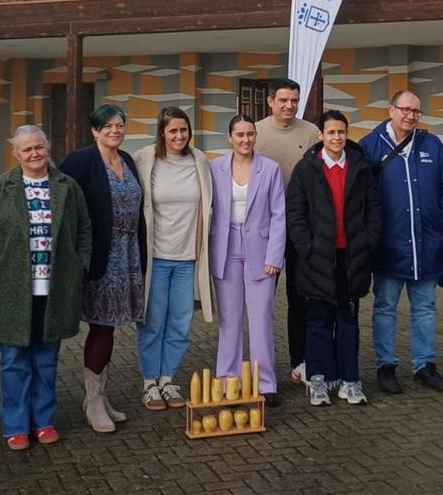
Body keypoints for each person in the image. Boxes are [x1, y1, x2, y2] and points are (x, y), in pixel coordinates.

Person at [0, 125, 91, 450]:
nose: (35, 154)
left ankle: (44, 421)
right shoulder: (2, 189)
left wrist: (80, 265)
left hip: (54, 288)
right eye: (27, 150)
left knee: (47, 359)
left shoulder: (67, 186)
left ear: (47, 148)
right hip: (12, 289)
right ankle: (15, 426)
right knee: (14, 359)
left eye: (39, 147)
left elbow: (84, 228)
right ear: (17, 154)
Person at [359, 90, 443, 394]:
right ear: (391, 110)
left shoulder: (431, 144)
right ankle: (385, 366)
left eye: (416, 111)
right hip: (388, 245)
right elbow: (361, 194)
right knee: (386, 306)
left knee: (425, 307)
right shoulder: (370, 146)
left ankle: (424, 365)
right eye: (404, 110)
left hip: (426, 245)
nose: (410, 116)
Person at [287, 110, 383, 406]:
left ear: (346, 133)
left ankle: (350, 380)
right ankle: (318, 380)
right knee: (317, 321)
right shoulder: (305, 170)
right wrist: (308, 247)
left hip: (351, 259)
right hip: (317, 260)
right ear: (321, 136)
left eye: (341, 132)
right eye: (331, 132)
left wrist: (367, 242)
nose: (337, 138)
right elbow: (296, 213)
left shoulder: (361, 168)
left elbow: (374, 209)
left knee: (348, 321)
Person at [60, 104, 145, 432]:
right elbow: (65, 204)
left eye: (119, 125)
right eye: (107, 126)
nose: (115, 130)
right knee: (100, 326)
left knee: (109, 328)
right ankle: (92, 400)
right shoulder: (81, 161)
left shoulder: (127, 161)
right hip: (100, 257)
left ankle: (101, 394)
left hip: (127, 254)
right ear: (94, 131)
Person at [133, 106, 213, 411]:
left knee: (181, 322)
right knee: (152, 322)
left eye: (183, 129)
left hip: (188, 257)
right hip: (156, 256)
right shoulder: (145, 160)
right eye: (172, 130)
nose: (179, 136)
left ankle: (168, 378)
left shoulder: (199, 160)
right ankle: (149, 382)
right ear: (162, 133)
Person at [209, 114, 286, 407]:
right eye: (239, 135)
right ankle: (228, 379)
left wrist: (274, 256)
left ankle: (264, 382)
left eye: (250, 134)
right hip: (225, 250)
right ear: (229, 138)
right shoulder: (214, 167)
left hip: (261, 250)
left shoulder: (270, 169)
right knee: (229, 320)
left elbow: (279, 214)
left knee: (261, 317)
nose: (245, 140)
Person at [254, 78, 320, 386]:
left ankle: (301, 362)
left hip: (300, 228)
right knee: (262, 301)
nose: (289, 105)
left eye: (294, 100)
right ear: (270, 102)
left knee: (301, 297)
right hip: (264, 230)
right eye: (283, 100)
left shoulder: (310, 133)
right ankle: (260, 367)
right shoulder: (256, 133)